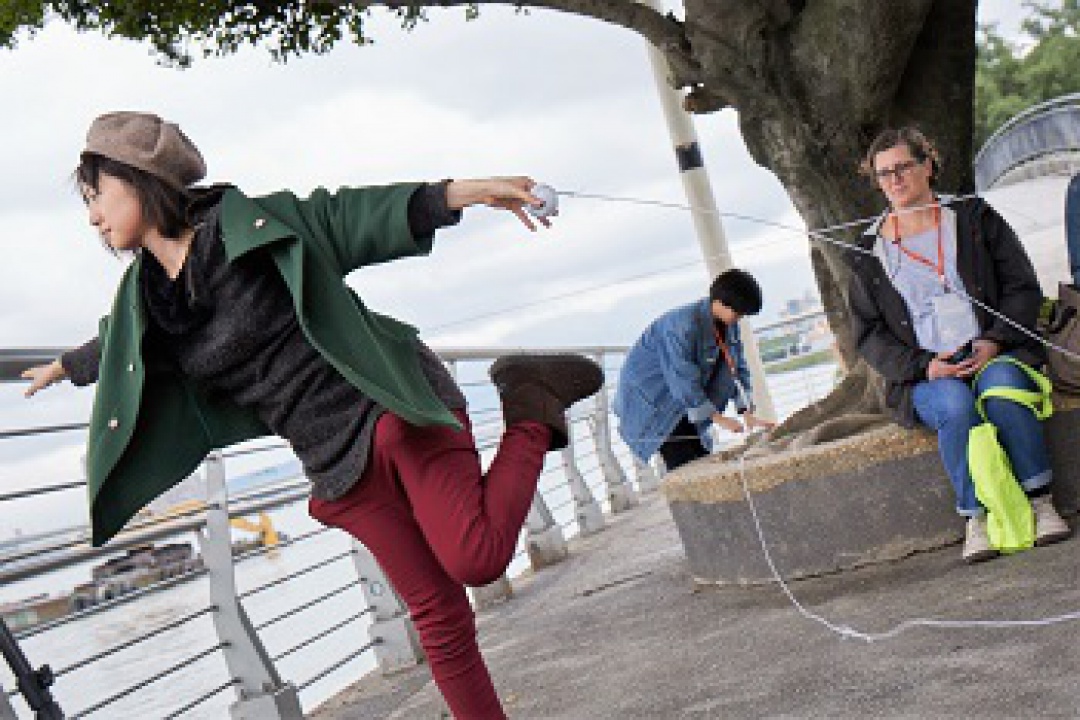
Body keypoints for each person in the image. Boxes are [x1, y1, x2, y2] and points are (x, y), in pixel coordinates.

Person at [21, 111, 603, 719]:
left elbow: (349, 215)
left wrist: (470, 192)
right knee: (438, 616)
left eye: (97, 196)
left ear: (139, 179)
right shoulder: (149, 300)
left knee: (475, 558)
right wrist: (64, 366)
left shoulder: (251, 226)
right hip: (333, 462)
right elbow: (118, 343)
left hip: (389, 410)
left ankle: (530, 403)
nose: (92, 217)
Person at [848, 126, 1071, 562]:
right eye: (884, 173)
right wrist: (925, 366)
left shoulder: (973, 218)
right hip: (926, 374)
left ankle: (1041, 502)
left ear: (927, 166)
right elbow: (868, 334)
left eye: (903, 167)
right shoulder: (868, 251)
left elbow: (1022, 287)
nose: (895, 179)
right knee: (954, 406)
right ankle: (976, 518)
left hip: (996, 353)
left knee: (1002, 392)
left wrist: (994, 340)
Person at [614, 269, 775, 472]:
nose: (739, 318)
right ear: (720, 302)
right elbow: (682, 379)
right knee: (686, 465)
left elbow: (737, 368)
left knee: (701, 458)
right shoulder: (680, 326)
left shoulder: (728, 324)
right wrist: (718, 418)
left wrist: (746, 411)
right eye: (738, 312)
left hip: (683, 402)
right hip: (654, 402)